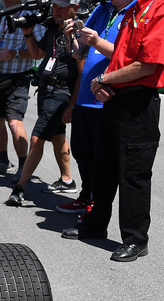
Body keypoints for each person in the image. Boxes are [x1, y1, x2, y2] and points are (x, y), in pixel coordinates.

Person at [61, 0, 164, 262]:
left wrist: (102, 80)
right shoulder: (134, 10)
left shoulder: (163, 8)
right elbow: (119, 57)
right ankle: (95, 224)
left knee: (133, 174)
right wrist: (103, 85)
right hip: (114, 99)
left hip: (138, 103)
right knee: (103, 167)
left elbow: (148, 65)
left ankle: (135, 239)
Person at [56, 0, 137, 219]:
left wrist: (97, 41)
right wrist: (72, 36)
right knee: (82, 151)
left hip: (107, 99)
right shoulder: (103, 9)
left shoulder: (135, 10)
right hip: (85, 97)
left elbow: (129, 56)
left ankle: (96, 203)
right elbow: (79, 53)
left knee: (102, 159)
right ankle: (86, 195)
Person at [6, 0, 81, 207]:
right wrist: (28, 33)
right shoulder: (53, 27)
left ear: (75, 7)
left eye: (62, 7)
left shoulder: (79, 30)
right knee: (57, 136)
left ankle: (20, 188)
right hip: (46, 90)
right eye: (55, 6)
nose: (56, 10)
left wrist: (72, 105)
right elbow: (38, 54)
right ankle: (67, 180)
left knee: (37, 138)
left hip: (61, 93)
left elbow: (83, 71)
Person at [0, 0, 45, 177]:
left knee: (14, 122)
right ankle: (2, 160)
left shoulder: (30, 17)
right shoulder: (1, 16)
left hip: (18, 77)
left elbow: (40, 51)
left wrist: (13, 53)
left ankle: (24, 166)